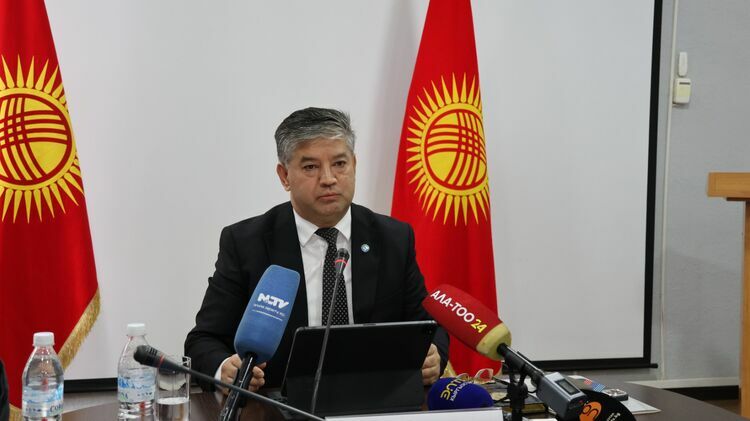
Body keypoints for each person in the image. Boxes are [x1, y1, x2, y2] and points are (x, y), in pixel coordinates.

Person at [185, 107, 449, 393]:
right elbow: (203, 340)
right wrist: (224, 368)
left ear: (354, 164)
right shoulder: (247, 243)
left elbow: (429, 326)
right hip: (278, 403)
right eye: (310, 167)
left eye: (339, 164)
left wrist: (433, 356)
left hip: (376, 402)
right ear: (284, 176)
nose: (328, 178)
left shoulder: (393, 238)